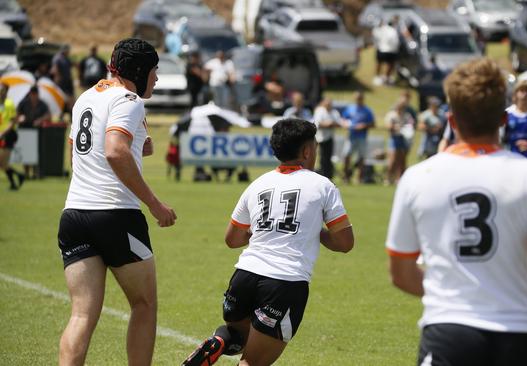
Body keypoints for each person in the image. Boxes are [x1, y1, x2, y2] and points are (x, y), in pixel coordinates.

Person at [386, 58, 527, 366]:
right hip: (516, 333)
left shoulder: (417, 177)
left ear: (451, 121)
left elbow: (400, 273)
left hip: (448, 331)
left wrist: (448, 291)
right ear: (503, 120)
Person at [181, 118, 354, 366]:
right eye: (314, 146)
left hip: (244, 277)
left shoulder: (258, 183)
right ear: (307, 151)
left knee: (240, 337)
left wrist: (265, 230)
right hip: (284, 282)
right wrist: (318, 231)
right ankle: (223, 342)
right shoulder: (322, 185)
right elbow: (345, 242)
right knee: (252, 362)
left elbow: (232, 238)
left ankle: (221, 339)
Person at [57, 38, 177, 366]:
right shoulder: (129, 99)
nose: (156, 78)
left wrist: (136, 146)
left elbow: (78, 151)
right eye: (154, 71)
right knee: (144, 305)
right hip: (116, 215)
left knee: (81, 316)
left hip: (74, 215)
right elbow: (114, 150)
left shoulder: (85, 98)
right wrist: (154, 204)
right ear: (138, 71)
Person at [16, 85, 51, 179]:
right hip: (25, 129)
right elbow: (17, 115)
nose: (34, 96)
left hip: (37, 131)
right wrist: (20, 118)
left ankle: (36, 173)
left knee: (37, 153)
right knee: (26, 153)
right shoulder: (23, 103)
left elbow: (48, 115)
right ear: (30, 94)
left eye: (35, 94)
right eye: (32, 94)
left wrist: (40, 120)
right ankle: (26, 173)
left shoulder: (42, 104)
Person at [341, 91, 374, 184]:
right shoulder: (350, 109)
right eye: (357, 98)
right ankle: (346, 177)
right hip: (351, 136)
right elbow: (343, 119)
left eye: (360, 98)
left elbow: (372, 123)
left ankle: (359, 178)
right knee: (347, 155)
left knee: (361, 157)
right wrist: (345, 124)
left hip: (362, 137)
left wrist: (364, 125)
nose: (358, 100)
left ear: (363, 99)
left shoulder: (367, 110)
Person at [384, 94, 415, 184]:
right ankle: (388, 178)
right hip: (394, 138)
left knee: (402, 160)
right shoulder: (392, 115)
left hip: (404, 139)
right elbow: (388, 126)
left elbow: (411, 124)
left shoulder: (407, 115)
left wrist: (407, 129)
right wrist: (396, 127)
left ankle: (400, 179)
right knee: (393, 160)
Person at [0, 83, 25, 190]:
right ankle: (17, 178)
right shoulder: (2, 104)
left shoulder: (9, 104)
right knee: (2, 163)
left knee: (2, 162)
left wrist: (3, 133)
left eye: (2, 90)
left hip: (8, 135)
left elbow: (12, 122)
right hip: (3, 135)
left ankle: (18, 178)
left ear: (5, 91)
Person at [313, 97, 341, 179]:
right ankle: (322, 175)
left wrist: (330, 124)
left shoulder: (334, 112)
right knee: (322, 158)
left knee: (328, 158)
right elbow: (318, 123)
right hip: (320, 138)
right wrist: (329, 124)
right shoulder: (320, 111)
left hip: (330, 137)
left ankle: (328, 175)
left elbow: (338, 123)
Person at [371, 18, 399, 86]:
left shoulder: (381, 29)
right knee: (390, 65)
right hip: (391, 50)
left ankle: (377, 77)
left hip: (381, 49)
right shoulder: (393, 30)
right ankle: (386, 78)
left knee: (379, 63)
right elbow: (396, 41)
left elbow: (375, 36)